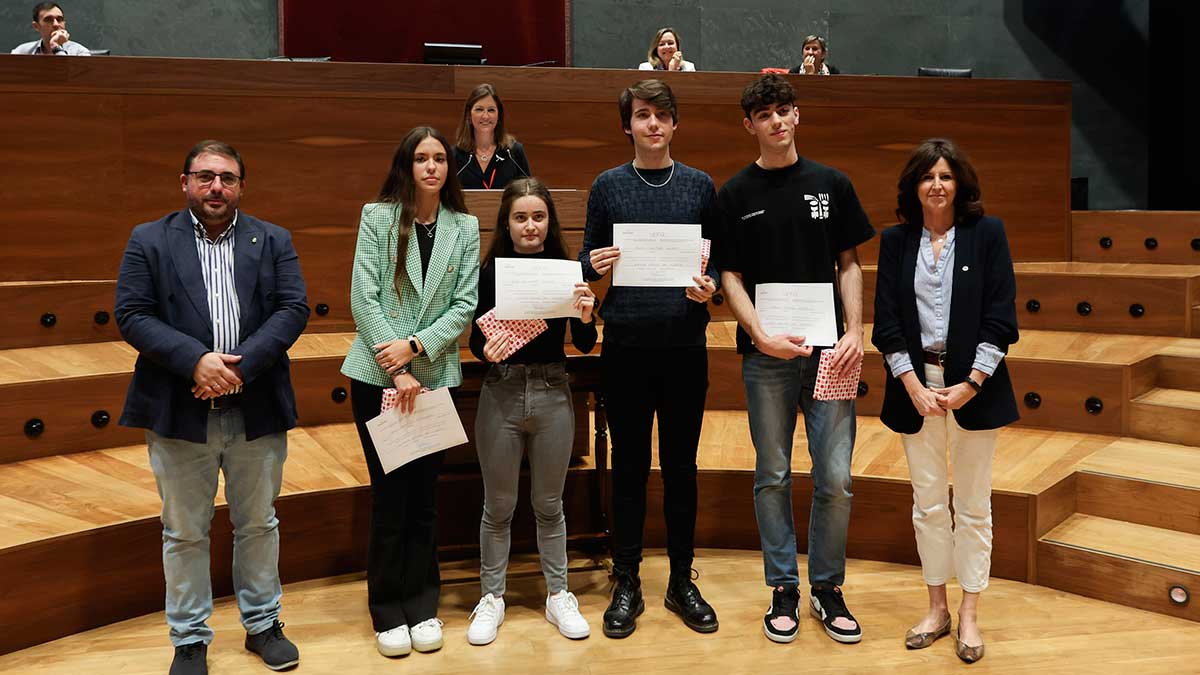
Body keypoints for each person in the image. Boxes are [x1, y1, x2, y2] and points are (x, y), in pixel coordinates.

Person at [115, 140, 309, 675]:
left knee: (258, 523)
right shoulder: (150, 239)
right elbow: (131, 314)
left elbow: (293, 309)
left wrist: (236, 371)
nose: (215, 187)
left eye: (226, 178)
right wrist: (196, 361)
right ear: (185, 183)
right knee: (184, 530)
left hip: (257, 405)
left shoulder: (272, 239)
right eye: (204, 177)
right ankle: (190, 638)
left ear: (242, 185)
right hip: (179, 407)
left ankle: (263, 624)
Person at [714, 74, 872, 645]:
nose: (777, 122)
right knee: (773, 474)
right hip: (767, 358)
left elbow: (849, 263)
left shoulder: (833, 183)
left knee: (836, 478)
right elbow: (727, 275)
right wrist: (758, 335)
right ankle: (783, 586)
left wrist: (856, 330)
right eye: (765, 114)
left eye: (785, 111)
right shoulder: (733, 195)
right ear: (749, 124)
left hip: (832, 354)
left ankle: (827, 587)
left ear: (797, 115)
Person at [580, 78, 719, 639]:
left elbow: (716, 264)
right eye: (642, 115)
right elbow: (589, 276)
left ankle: (682, 580)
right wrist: (599, 265)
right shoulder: (607, 187)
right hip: (627, 349)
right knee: (632, 468)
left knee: (682, 468)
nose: (653, 125)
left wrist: (708, 287)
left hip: (686, 348)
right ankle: (628, 580)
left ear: (675, 123)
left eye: (662, 115)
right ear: (628, 125)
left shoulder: (700, 186)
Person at [871, 138, 1018, 664]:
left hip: (973, 388)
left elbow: (1002, 319)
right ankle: (936, 608)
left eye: (946, 176)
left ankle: (970, 612)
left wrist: (972, 383)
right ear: (914, 186)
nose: (937, 185)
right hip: (916, 388)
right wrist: (912, 384)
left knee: (974, 506)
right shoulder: (896, 240)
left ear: (961, 185)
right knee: (929, 504)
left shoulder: (987, 235)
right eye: (928, 176)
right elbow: (886, 322)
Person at [341, 126, 480, 658]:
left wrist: (417, 348)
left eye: (440, 158)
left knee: (424, 499)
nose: (431, 167)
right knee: (390, 497)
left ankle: (422, 605)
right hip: (378, 379)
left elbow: (464, 304)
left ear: (449, 168)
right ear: (407, 164)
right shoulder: (377, 217)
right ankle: (387, 611)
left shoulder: (464, 226)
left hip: (434, 375)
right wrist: (394, 364)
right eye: (421, 158)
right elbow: (364, 296)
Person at [465, 177, 598, 645]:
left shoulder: (565, 268)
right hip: (501, 392)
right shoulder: (490, 271)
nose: (530, 226)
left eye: (538, 216)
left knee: (548, 504)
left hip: (553, 390)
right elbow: (478, 341)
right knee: (498, 506)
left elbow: (582, 342)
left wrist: (585, 314)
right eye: (520, 217)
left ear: (549, 221)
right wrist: (490, 349)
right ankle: (492, 597)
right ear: (507, 221)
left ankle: (558, 594)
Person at [453, 84, 532, 190]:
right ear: (468, 115)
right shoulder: (454, 155)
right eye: (479, 109)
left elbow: (529, 194)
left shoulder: (514, 152)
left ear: (499, 116)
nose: (485, 116)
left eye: (491, 110)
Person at [11, 3, 90, 55]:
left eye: (59, 20)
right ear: (36, 26)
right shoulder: (21, 52)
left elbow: (67, 75)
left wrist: (56, 46)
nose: (56, 24)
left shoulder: (80, 52)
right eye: (48, 20)